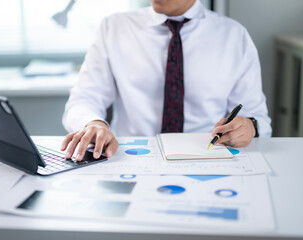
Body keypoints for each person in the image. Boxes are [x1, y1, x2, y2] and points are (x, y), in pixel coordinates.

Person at [61, 0, 272, 161]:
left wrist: (250, 126)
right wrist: (93, 123)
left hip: (208, 157)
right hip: (132, 158)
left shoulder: (234, 36)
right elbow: (83, 99)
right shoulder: (114, 28)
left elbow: (258, 117)